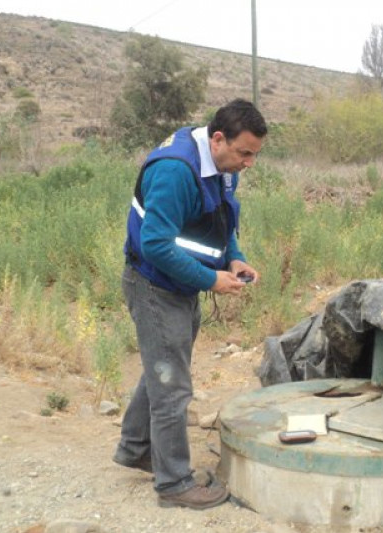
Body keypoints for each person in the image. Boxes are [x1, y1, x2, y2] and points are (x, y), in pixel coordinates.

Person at [113, 99, 267, 510]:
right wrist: (209, 279)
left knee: (163, 368)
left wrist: (232, 257)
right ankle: (174, 483)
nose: (249, 163)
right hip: (155, 286)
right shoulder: (175, 171)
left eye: (254, 154)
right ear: (218, 139)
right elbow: (156, 245)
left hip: (180, 284)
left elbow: (221, 221)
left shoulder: (221, 166)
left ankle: (135, 448)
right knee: (172, 387)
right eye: (244, 153)